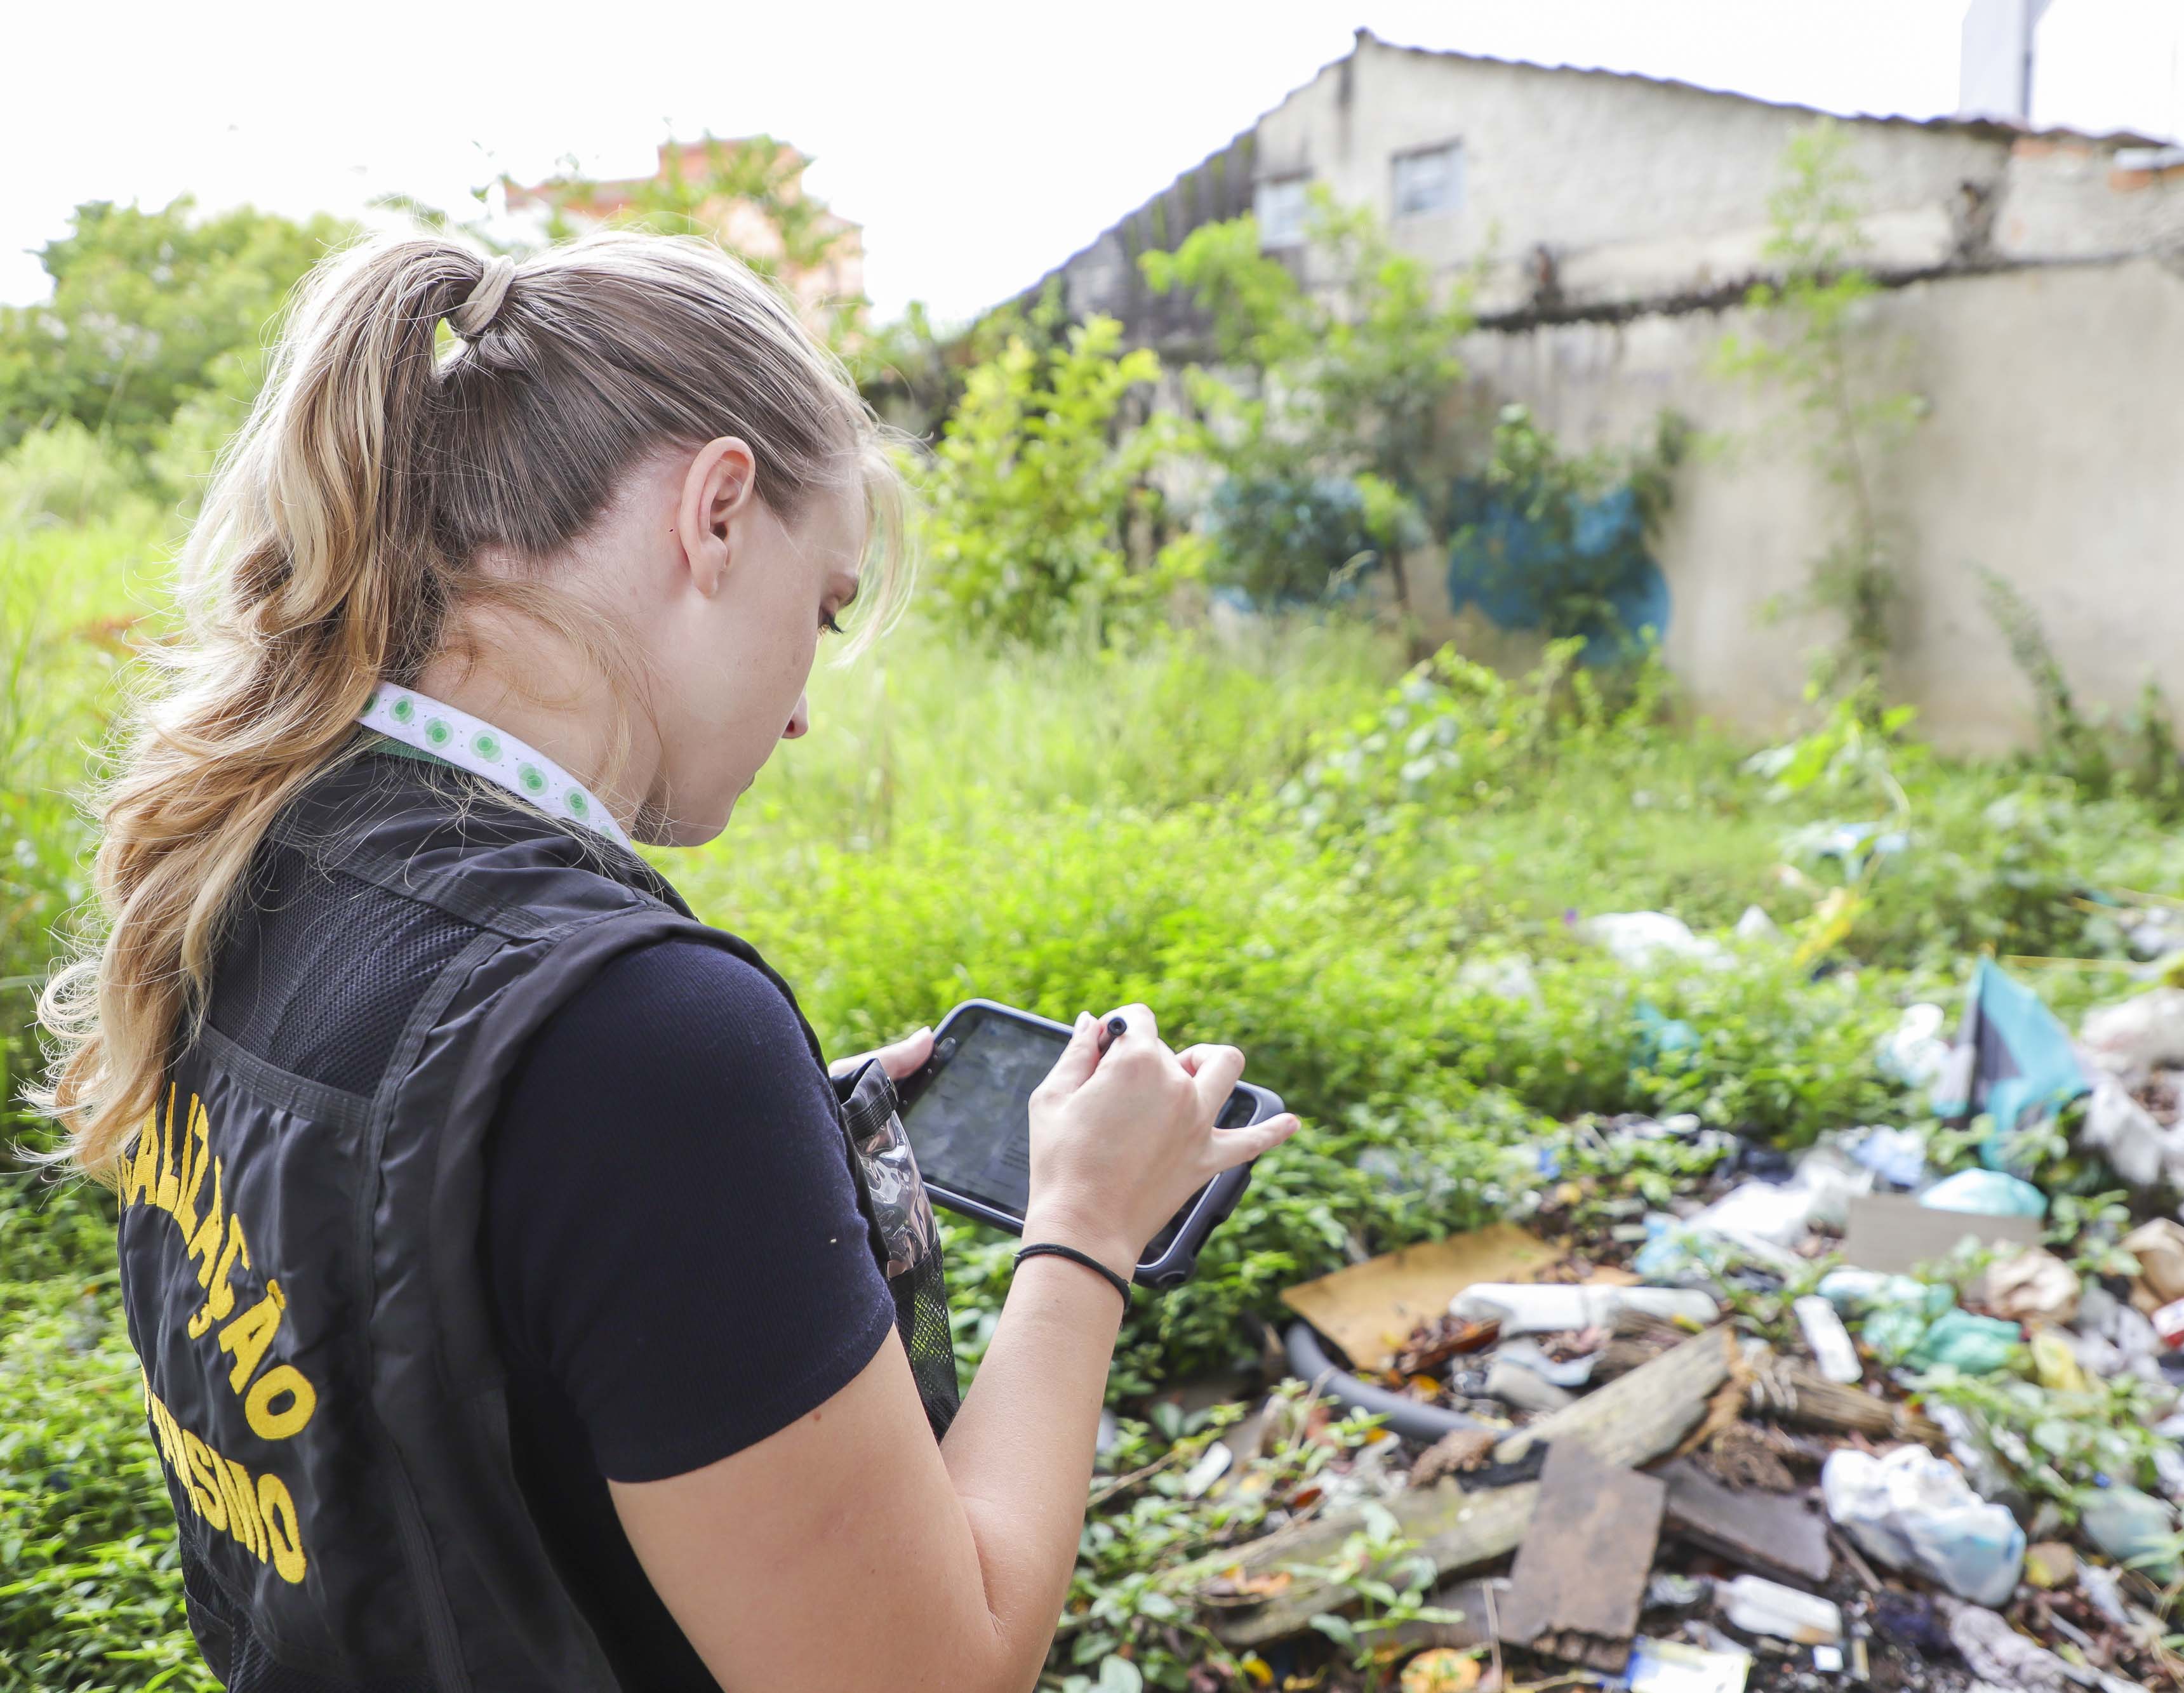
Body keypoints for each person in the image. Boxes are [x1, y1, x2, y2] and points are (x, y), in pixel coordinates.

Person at [34, 232, 1298, 1693]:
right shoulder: (641, 1043)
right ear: (714, 511)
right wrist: (1083, 1225)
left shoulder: (253, 847)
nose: (807, 710)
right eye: (823, 608)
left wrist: (735, 1191)